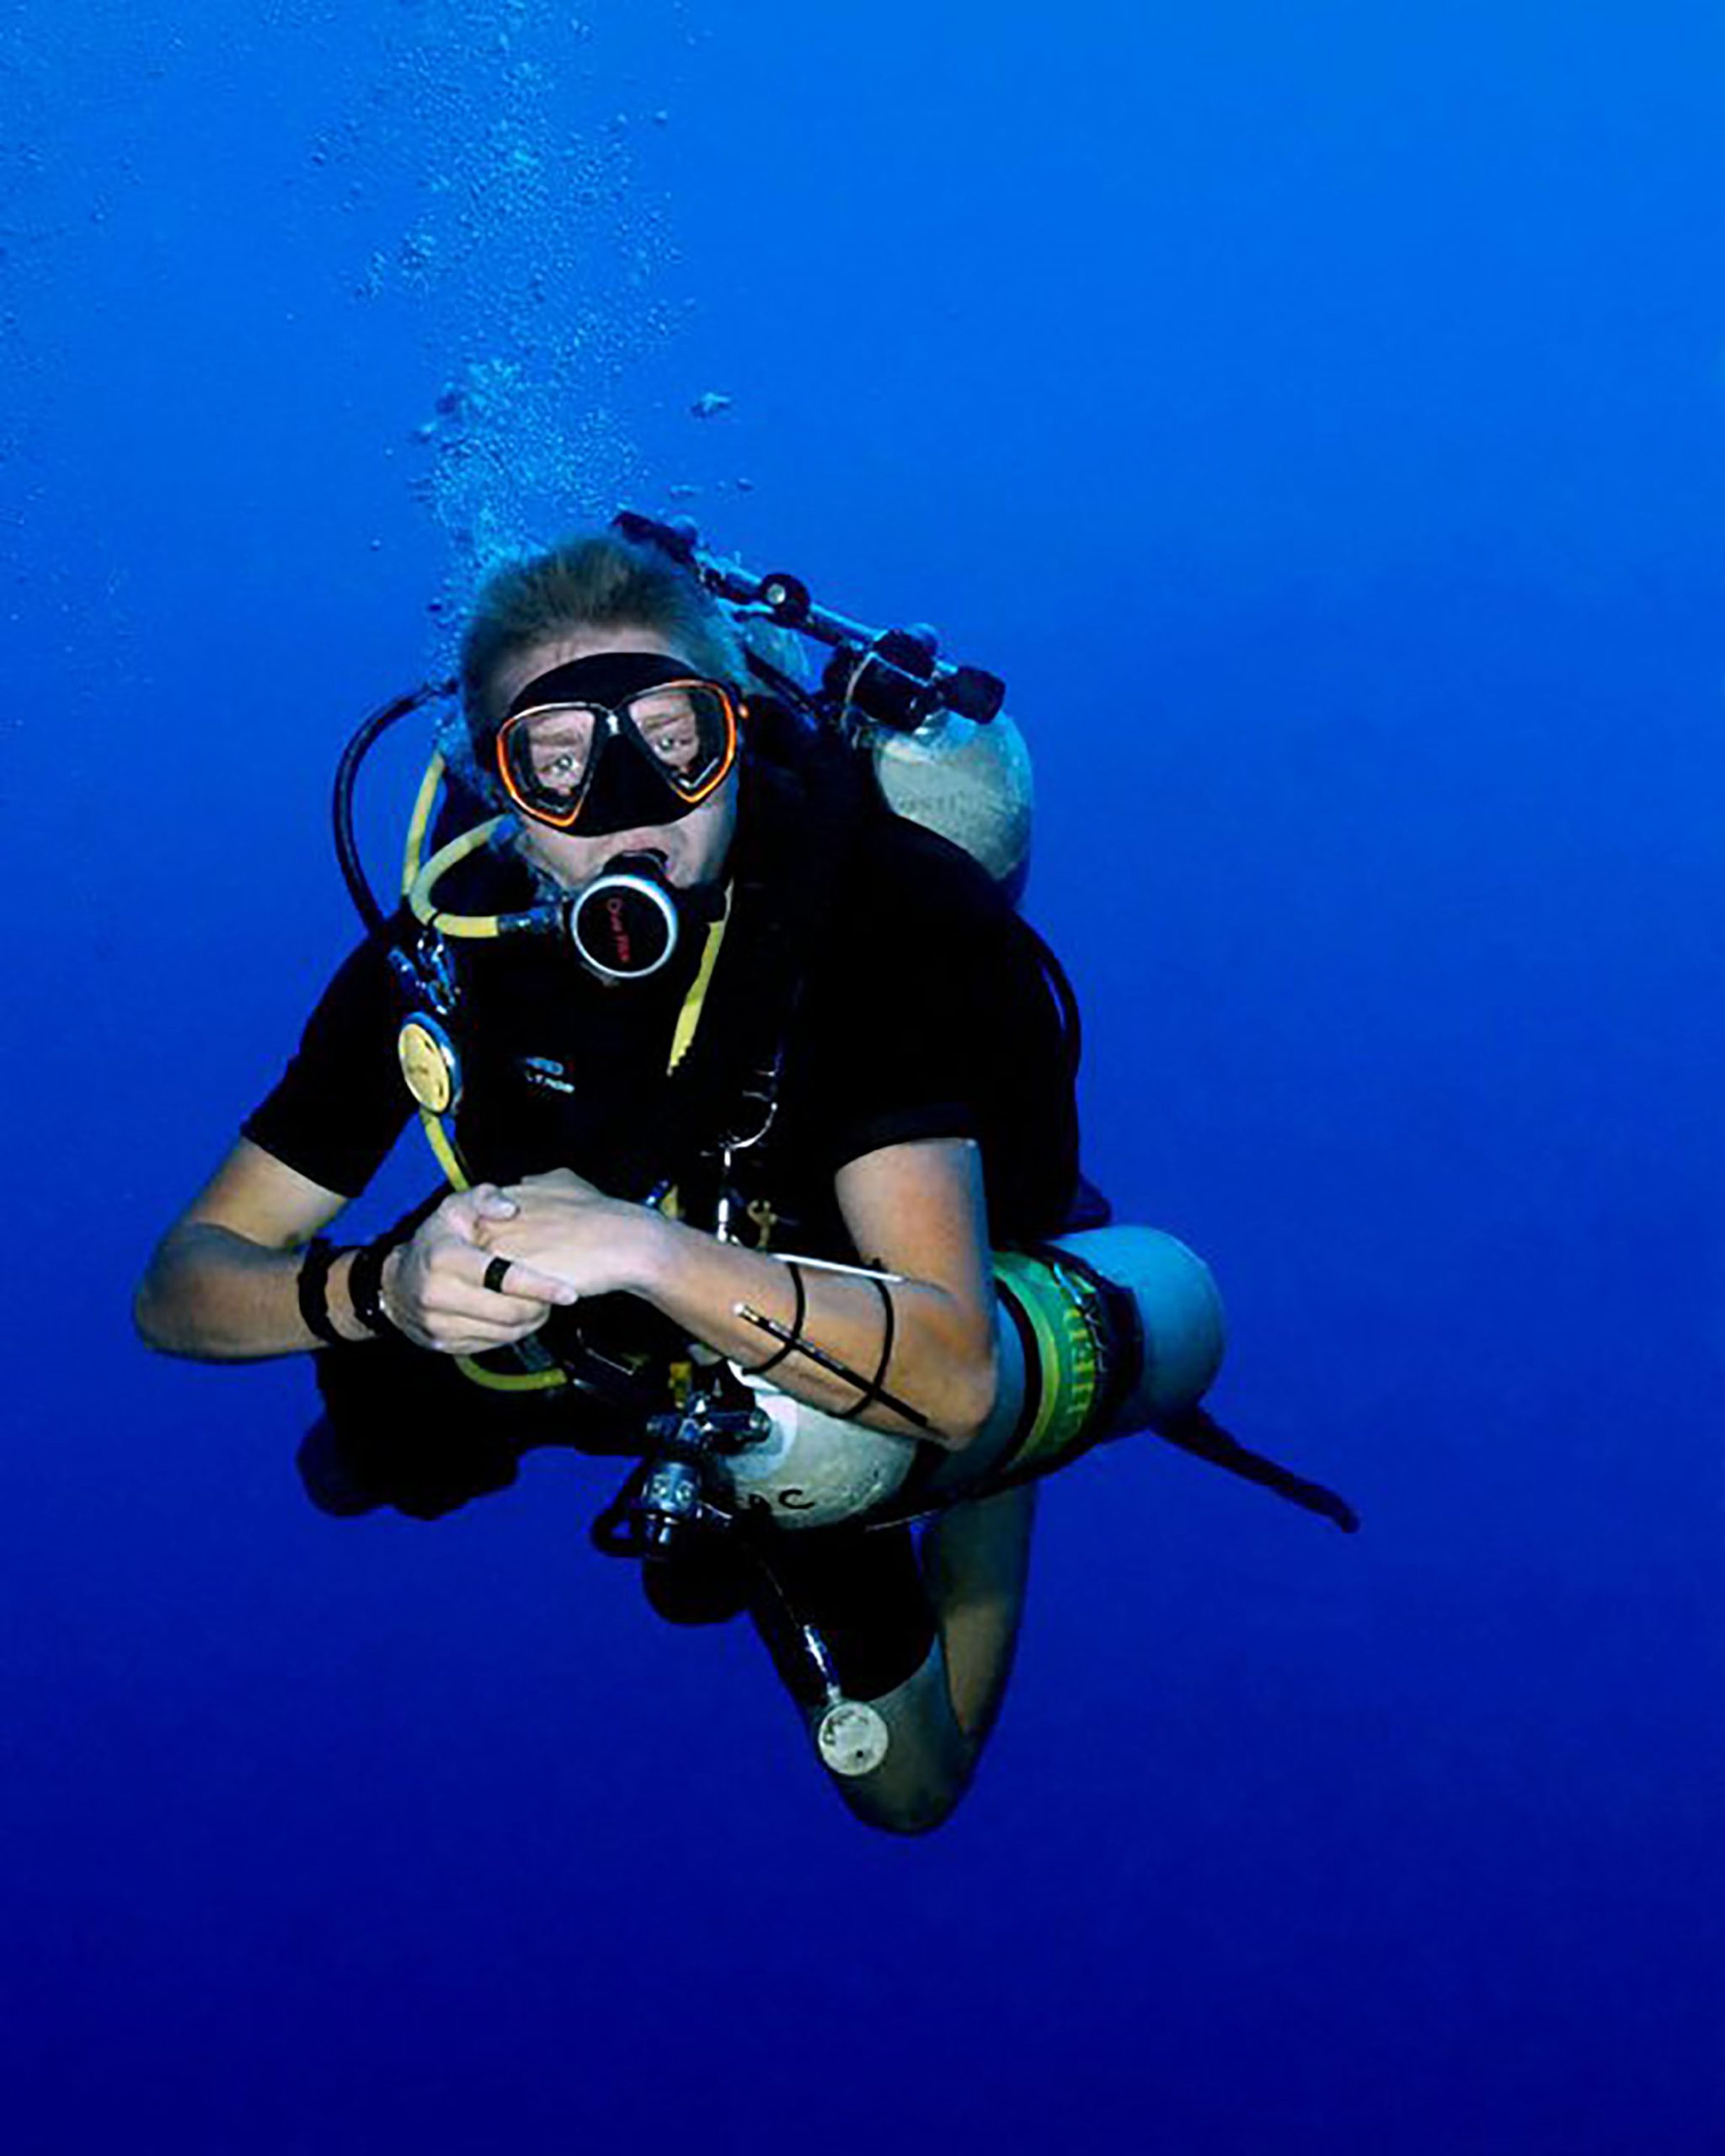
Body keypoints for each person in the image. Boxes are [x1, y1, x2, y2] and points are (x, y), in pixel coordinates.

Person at [136, 529, 1092, 1835]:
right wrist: (380, 1292)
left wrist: (648, 1253)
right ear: (499, 788)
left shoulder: (872, 931)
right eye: (562, 764)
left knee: (906, 1788)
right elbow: (179, 1287)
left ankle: (998, 1478)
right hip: (545, 1309)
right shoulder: (444, 952)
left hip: (816, 1325)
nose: (633, 803)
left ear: (739, 732)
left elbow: (952, 1370)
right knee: (345, 1465)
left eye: (673, 737)